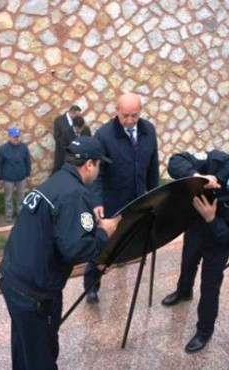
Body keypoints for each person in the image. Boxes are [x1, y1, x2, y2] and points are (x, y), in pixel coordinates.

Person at [0, 136, 121, 370]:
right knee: (42, 355)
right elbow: (74, 249)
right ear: (89, 165)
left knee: (25, 345)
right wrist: (104, 233)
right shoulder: (74, 193)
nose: (98, 170)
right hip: (34, 293)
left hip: (12, 278)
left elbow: (59, 231)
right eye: (99, 165)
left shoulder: (56, 181)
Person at [161, 150, 229, 353]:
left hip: (218, 245)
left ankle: (204, 331)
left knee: (210, 287)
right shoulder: (216, 161)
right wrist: (197, 177)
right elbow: (176, 161)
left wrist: (212, 219)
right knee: (187, 264)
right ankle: (183, 292)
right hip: (195, 227)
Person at [84, 92, 160, 304]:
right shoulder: (104, 135)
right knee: (102, 247)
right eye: (125, 115)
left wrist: (155, 195)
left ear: (140, 112)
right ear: (116, 111)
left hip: (138, 199)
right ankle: (91, 285)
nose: (129, 120)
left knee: (130, 239)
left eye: (134, 115)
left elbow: (153, 165)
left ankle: (122, 259)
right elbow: (96, 174)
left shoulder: (149, 130)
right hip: (113, 201)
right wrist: (97, 201)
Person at [0, 127, 31, 223]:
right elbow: (0, 163)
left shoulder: (24, 147)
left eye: (17, 136)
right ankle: (9, 214)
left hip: (21, 177)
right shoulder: (3, 149)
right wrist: (0, 176)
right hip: (8, 178)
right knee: (8, 197)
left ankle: (20, 212)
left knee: (21, 196)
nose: (16, 138)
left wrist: (28, 173)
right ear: (9, 137)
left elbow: (27, 161)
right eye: (14, 137)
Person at [52, 104, 82, 173]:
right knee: (59, 171)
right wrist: (67, 147)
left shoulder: (77, 121)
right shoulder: (59, 120)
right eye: (77, 115)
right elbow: (57, 136)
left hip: (74, 154)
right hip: (62, 153)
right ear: (72, 112)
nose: (78, 117)